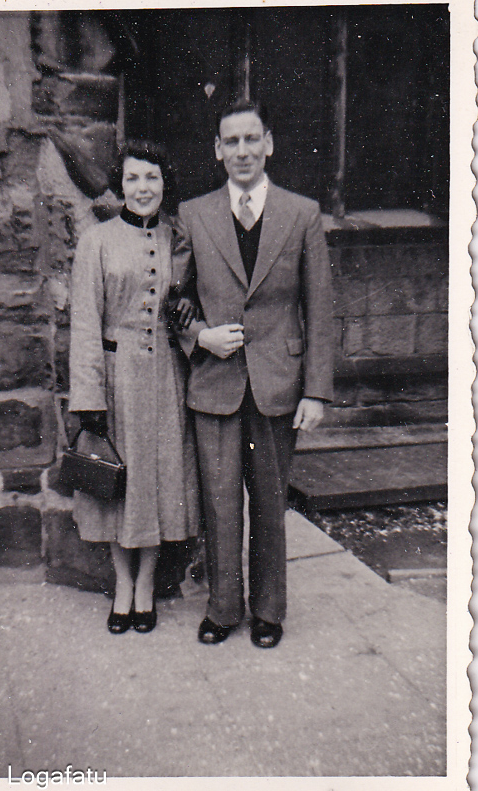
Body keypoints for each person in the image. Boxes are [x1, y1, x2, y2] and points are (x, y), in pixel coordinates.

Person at [172, 98, 333, 648]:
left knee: (269, 501)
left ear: (269, 143)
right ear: (218, 151)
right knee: (219, 501)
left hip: (278, 385)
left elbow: (320, 306)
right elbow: (175, 298)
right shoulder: (194, 215)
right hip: (215, 384)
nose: (241, 151)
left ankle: (268, 610)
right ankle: (222, 608)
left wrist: (316, 391)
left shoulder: (302, 213)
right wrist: (198, 336)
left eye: (251, 139)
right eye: (230, 142)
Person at [69, 140, 200, 635]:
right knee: (118, 489)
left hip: (167, 378)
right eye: (132, 178)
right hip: (116, 379)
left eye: (152, 178)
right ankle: (121, 584)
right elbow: (84, 324)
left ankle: (146, 585)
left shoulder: (177, 239)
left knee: (156, 485)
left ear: (165, 184)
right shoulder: (96, 241)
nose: (143, 188)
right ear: (120, 185)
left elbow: (190, 303)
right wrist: (89, 400)